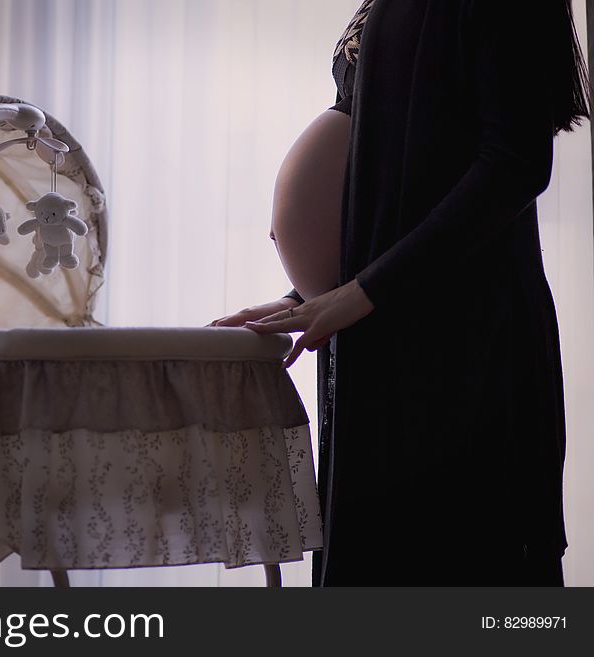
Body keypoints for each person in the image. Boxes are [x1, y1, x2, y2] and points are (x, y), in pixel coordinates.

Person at [210, 0, 590, 585]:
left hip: (456, 345)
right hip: (376, 330)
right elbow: (396, 167)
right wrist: (310, 293)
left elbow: (514, 163)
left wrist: (363, 290)